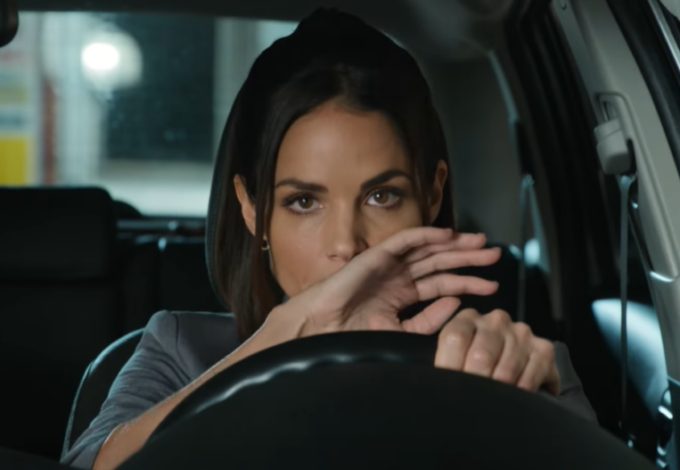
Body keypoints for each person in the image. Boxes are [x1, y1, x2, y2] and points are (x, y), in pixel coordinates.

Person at [62, 9, 595, 470]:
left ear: (432, 195)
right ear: (251, 209)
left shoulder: (507, 360)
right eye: (303, 201)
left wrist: (526, 398)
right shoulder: (178, 351)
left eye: (382, 196)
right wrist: (286, 335)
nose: (346, 244)